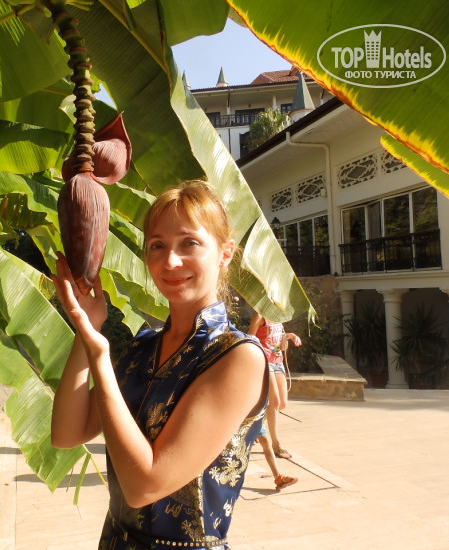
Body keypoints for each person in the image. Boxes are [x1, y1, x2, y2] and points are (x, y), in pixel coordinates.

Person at [51, 180, 270, 549]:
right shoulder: (143, 348)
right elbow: (66, 434)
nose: (170, 261)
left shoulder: (237, 357)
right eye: (157, 245)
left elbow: (144, 486)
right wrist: (85, 329)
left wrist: (101, 357)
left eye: (189, 243)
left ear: (225, 253)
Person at [248, 313, 302, 460]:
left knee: (282, 403)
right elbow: (250, 338)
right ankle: (276, 444)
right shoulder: (260, 315)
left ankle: (254, 426)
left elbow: (276, 337)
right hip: (265, 361)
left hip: (278, 361)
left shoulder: (277, 315)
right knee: (274, 402)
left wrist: (289, 336)